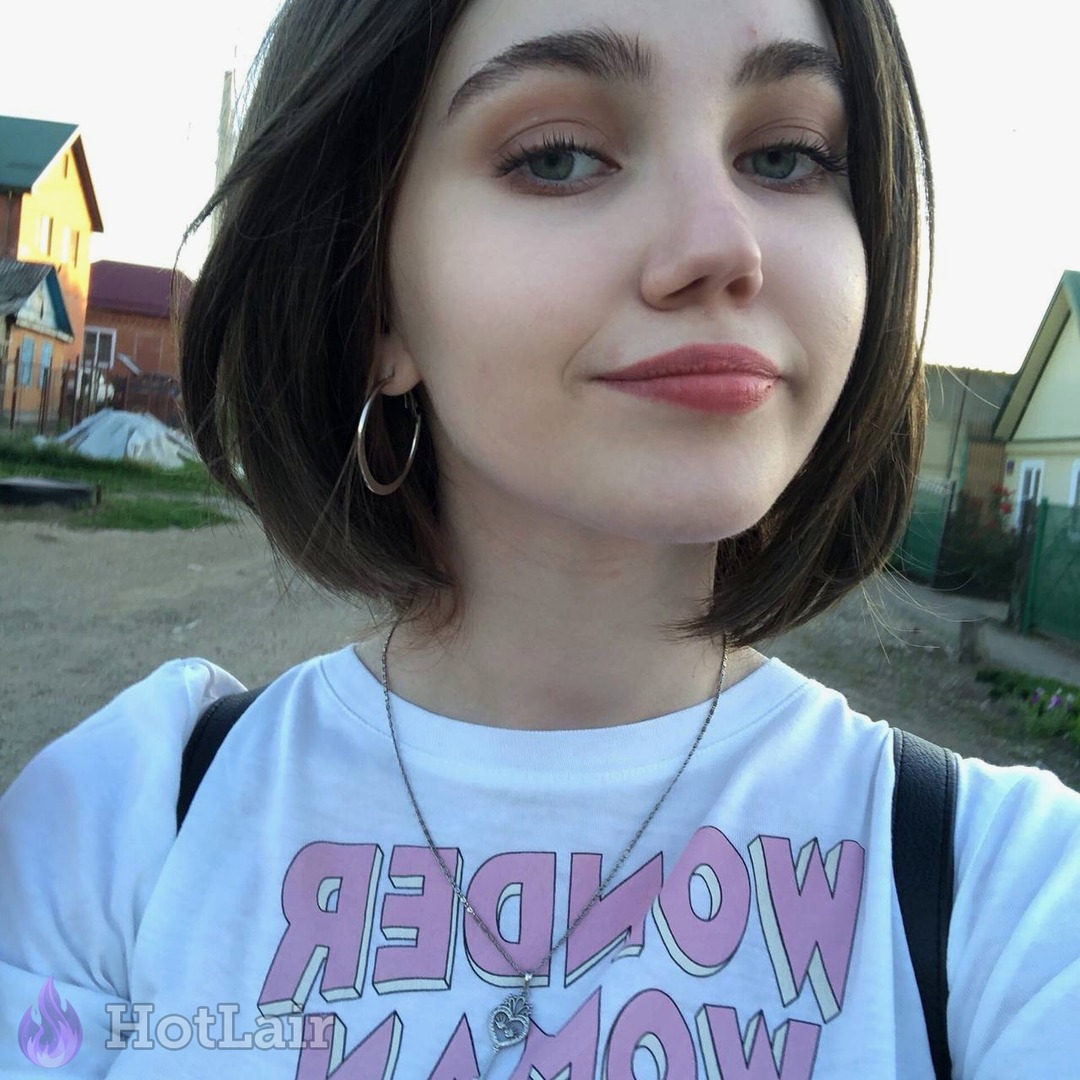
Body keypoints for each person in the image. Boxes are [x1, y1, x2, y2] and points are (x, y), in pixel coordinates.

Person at [1, 0, 1077, 1075]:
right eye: (559, 157)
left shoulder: (1009, 897)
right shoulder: (125, 826)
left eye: (787, 157)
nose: (722, 246)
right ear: (372, 298)